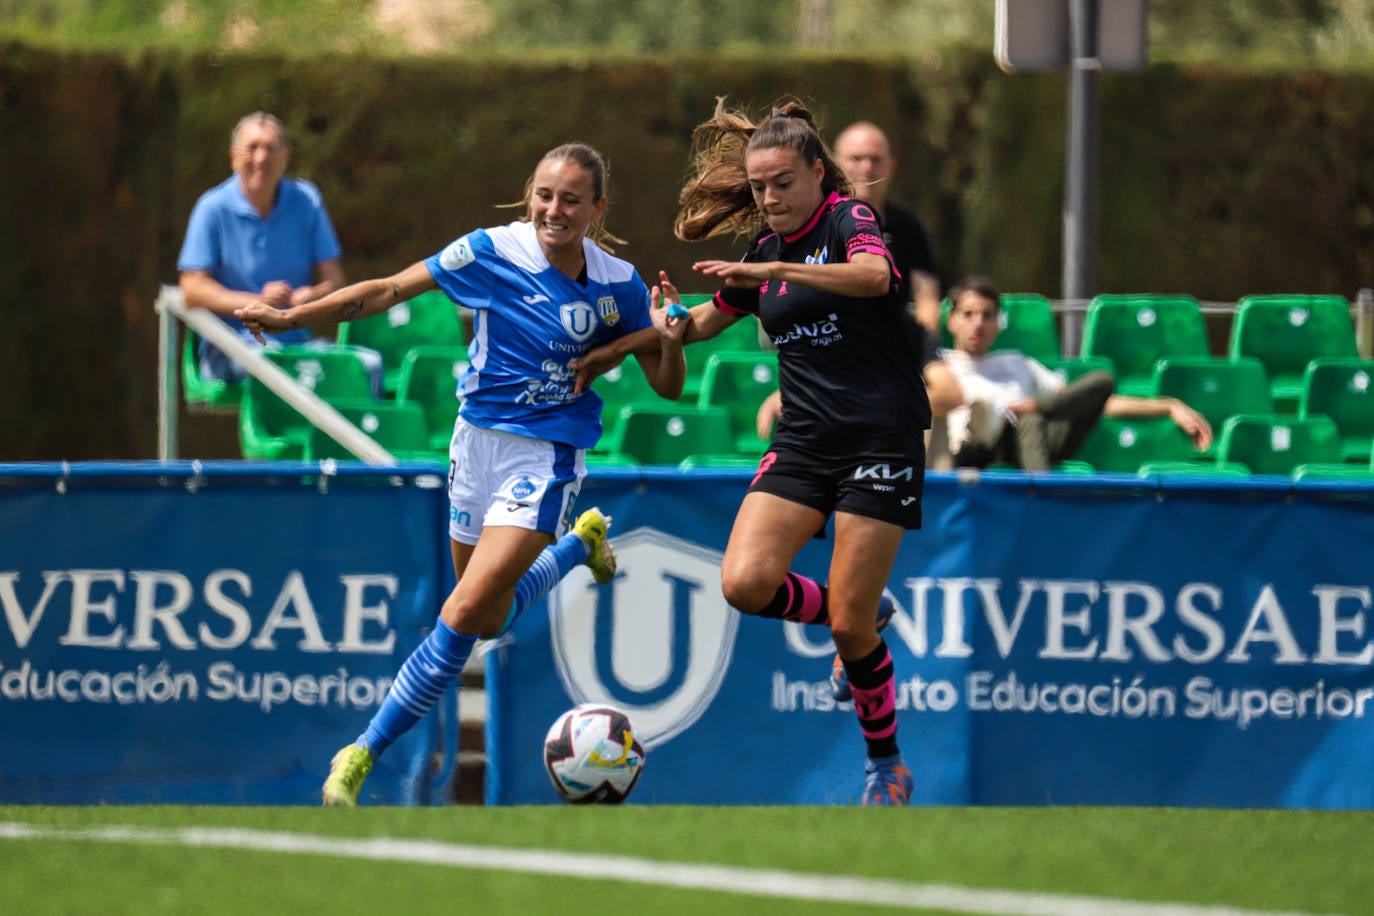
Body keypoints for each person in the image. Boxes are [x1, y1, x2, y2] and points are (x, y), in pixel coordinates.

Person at [236, 142, 688, 806]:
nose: (553, 210)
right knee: (489, 616)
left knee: (466, 608)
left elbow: (669, 386)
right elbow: (388, 289)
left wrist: (669, 340)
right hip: (475, 446)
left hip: (548, 455)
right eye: (543, 194)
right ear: (528, 195)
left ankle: (362, 751)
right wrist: (292, 320)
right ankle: (577, 547)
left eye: (569, 198)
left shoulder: (618, 282)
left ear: (597, 207)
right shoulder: (490, 252)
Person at [572, 99, 928, 806]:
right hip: (804, 440)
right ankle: (851, 610)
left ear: (818, 174)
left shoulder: (846, 220)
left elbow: (875, 279)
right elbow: (704, 320)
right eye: (760, 186)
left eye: (782, 183)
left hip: (880, 437)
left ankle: (887, 766)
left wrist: (782, 276)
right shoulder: (763, 252)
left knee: (853, 628)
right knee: (743, 583)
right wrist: (659, 329)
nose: (768, 198)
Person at [178, 111, 383, 396]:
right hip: (231, 348)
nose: (261, 158)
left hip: (296, 345)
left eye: (270, 149)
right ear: (233, 157)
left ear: (286, 156)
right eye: (252, 148)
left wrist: (311, 297)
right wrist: (257, 302)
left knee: (367, 365)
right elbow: (191, 288)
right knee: (272, 364)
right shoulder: (211, 208)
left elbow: (334, 280)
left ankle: (344, 440)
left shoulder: (307, 200)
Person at [943, 276, 1213, 470]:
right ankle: (1040, 487)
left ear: (998, 323)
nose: (978, 324)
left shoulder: (1017, 363)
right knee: (1026, 420)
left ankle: (1027, 414)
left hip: (1034, 440)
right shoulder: (940, 366)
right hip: (974, 450)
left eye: (987, 315)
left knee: (1100, 382)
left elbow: (1093, 403)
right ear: (952, 320)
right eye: (969, 314)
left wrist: (1168, 406)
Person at [832, 121, 942, 333]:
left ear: (891, 166)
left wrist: (923, 349)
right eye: (856, 158)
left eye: (875, 159)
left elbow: (926, 298)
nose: (867, 167)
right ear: (835, 164)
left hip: (892, 342)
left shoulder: (909, 227)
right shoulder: (817, 222)